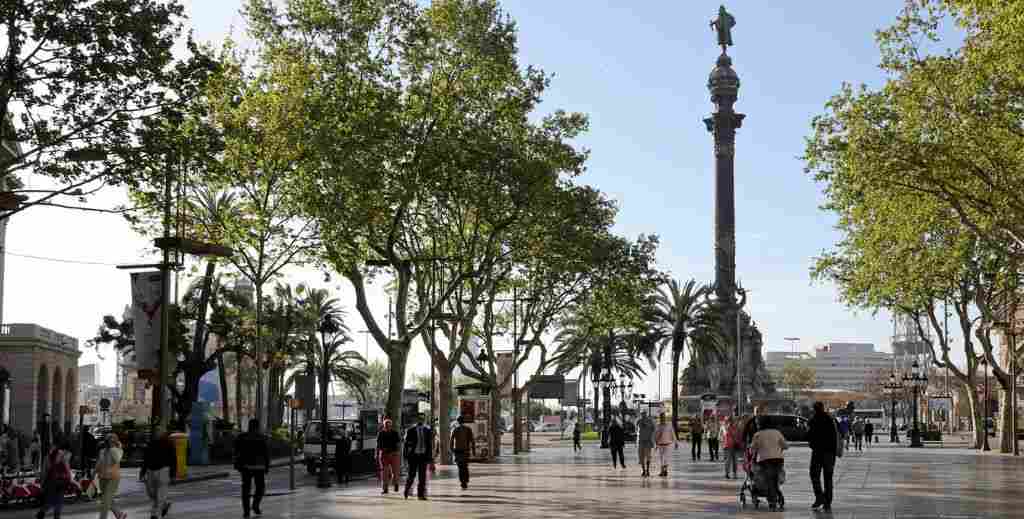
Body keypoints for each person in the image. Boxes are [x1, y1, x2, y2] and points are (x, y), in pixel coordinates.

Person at [233, 419, 270, 518]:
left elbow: (236, 452)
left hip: (246, 467)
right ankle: (255, 505)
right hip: (259, 467)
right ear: (257, 427)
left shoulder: (241, 437)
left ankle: (246, 511)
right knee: (260, 488)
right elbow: (266, 454)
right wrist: (267, 466)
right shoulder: (262, 438)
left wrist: (237, 464)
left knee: (246, 489)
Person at [750, 418, 788, 512]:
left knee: (770, 480)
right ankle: (775, 497)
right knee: (775, 479)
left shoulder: (758, 434)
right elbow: (785, 446)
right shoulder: (777, 432)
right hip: (778, 459)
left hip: (765, 460)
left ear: (761, 425)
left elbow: (752, 449)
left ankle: (772, 501)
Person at [808, 402, 838, 513]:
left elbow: (809, 436)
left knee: (814, 475)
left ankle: (819, 497)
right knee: (828, 477)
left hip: (817, 453)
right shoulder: (831, 419)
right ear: (823, 408)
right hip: (830, 453)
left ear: (814, 409)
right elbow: (838, 434)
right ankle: (827, 501)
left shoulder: (813, 420)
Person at [140, 427, 174, 519]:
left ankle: (155, 514)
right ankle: (165, 504)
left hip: (163, 470)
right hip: (150, 470)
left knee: (160, 495)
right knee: (151, 493)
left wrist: (172, 474)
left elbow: (173, 459)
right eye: (156, 432)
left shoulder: (169, 443)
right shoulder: (150, 443)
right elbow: (145, 458)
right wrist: (142, 472)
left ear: (163, 433)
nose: (157, 433)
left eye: (159, 432)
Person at [36, 440, 72, 519]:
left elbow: (44, 473)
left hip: (51, 482)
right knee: (58, 501)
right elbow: (67, 469)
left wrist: (42, 484)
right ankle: (54, 516)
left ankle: (41, 513)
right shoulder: (65, 455)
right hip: (61, 482)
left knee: (50, 501)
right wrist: (70, 480)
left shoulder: (47, 457)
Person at [403, 413, 434, 501]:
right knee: (411, 475)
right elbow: (406, 445)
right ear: (416, 420)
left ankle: (420, 495)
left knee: (422, 477)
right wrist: (405, 456)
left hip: (423, 456)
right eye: (419, 419)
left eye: (422, 419)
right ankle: (406, 490)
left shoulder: (427, 430)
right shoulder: (410, 430)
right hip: (413, 456)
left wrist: (430, 458)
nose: (421, 420)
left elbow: (429, 445)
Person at [95, 433, 126, 519]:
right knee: (107, 499)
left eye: (110, 440)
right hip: (102, 477)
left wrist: (118, 448)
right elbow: (99, 463)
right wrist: (94, 472)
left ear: (114, 441)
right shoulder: (102, 451)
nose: (108, 442)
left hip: (113, 478)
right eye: (107, 439)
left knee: (105, 501)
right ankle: (120, 515)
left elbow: (117, 459)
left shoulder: (116, 450)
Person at [376, 419, 401, 495]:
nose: (388, 426)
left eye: (389, 425)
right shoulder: (381, 433)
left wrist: (397, 452)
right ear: (384, 425)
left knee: (394, 471)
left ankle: (395, 484)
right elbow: (378, 444)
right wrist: (377, 453)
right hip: (385, 454)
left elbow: (398, 443)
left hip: (392, 454)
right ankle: (386, 488)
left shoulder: (394, 433)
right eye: (387, 425)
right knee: (385, 472)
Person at [450, 415, 475, 489]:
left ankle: (462, 482)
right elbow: (472, 441)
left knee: (460, 467)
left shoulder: (455, 429)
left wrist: (451, 450)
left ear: (457, 421)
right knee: (465, 466)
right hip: (465, 451)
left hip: (457, 451)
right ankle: (465, 480)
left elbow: (451, 440)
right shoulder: (468, 429)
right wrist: (473, 450)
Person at [636, 412, 656, 478]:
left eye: (644, 414)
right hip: (640, 442)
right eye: (642, 414)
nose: (643, 415)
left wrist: (647, 425)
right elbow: (636, 429)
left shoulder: (650, 421)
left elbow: (654, 429)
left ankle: (647, 470)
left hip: (648, 442)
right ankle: (643, 470)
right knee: (641, 458)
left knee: (648, 457)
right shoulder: (639, 421)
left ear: (646, 414)